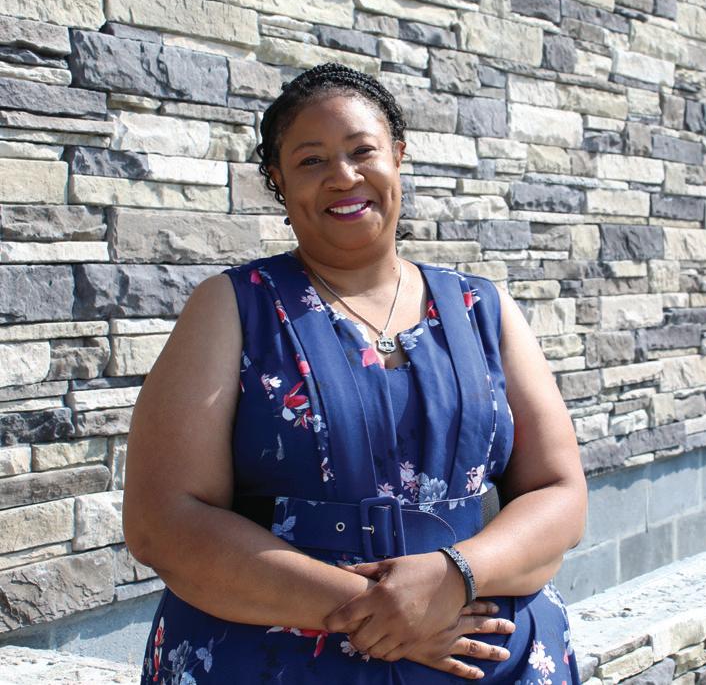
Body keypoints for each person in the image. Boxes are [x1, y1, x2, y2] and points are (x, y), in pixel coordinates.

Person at [123, 63, 587, 684]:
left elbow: (559, 492)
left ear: (398, 157)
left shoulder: (484, 309)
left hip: (491, 658)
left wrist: (455, 575)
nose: (342, 176)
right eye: (311, 160)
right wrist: (375, 611)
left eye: (362, 151)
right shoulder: (231, 308)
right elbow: (164, 521)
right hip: (277, 659)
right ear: (278, 181)